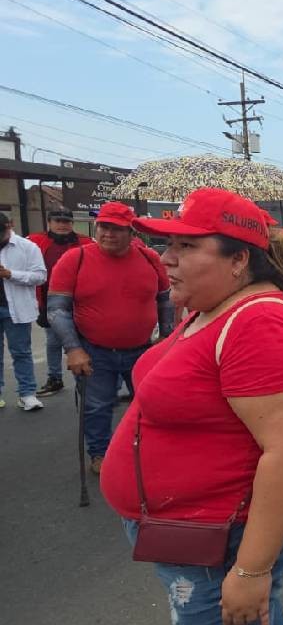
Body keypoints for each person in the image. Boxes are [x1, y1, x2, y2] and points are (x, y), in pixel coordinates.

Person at [99, 188, 283, 625]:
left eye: (186, 248)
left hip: (219, 539)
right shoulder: (208, 307)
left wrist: (249, 572)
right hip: (203, 535)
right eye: (165, 245)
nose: (166, 259)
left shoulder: (258, 321)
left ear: (239, 259)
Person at [48, 202, 173, 475]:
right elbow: (57, 309)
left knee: (151, 404)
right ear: (96, 227)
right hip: (94, 350)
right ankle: (100, 454)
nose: (109, 234)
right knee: (96, 407)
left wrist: (166, 335)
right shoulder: (75, 259)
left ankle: (148, 449)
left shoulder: (150, 258)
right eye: (104, 227)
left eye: (117, 229)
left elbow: (165, 299)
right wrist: (73, 349)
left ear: (131, 232)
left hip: (143, 349)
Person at [27, 208, 95, 397]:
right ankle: (54, 378)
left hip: (81, 301)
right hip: (49, 300)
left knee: (85, 343)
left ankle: (86, 382)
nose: (63, 225)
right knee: (54, 342)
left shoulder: (86, 242)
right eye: (58, 221)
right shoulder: (36, 242)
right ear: (49, 222)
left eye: (66, 221)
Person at [0, 212, 47, 411]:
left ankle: (27, 394)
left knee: (21, 352)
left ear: (9, 226)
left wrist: (11, 274)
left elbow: (40, 276)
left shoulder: (27, 247)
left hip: (15, 308)